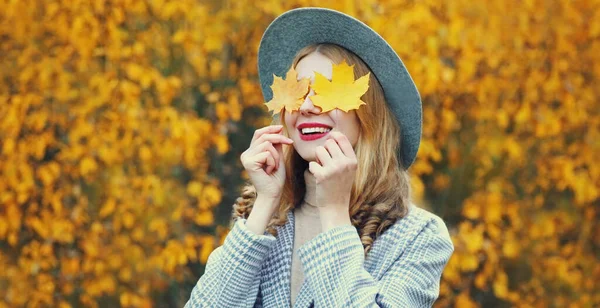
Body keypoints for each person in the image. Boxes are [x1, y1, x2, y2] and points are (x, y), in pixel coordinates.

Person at [185, 7, 454, 308]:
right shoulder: (264, 220)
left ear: (369, 112)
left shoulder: (418, 237)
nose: (308, 106)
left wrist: (335, 211)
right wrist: (264, 204)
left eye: (328, 91)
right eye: (298, 91)